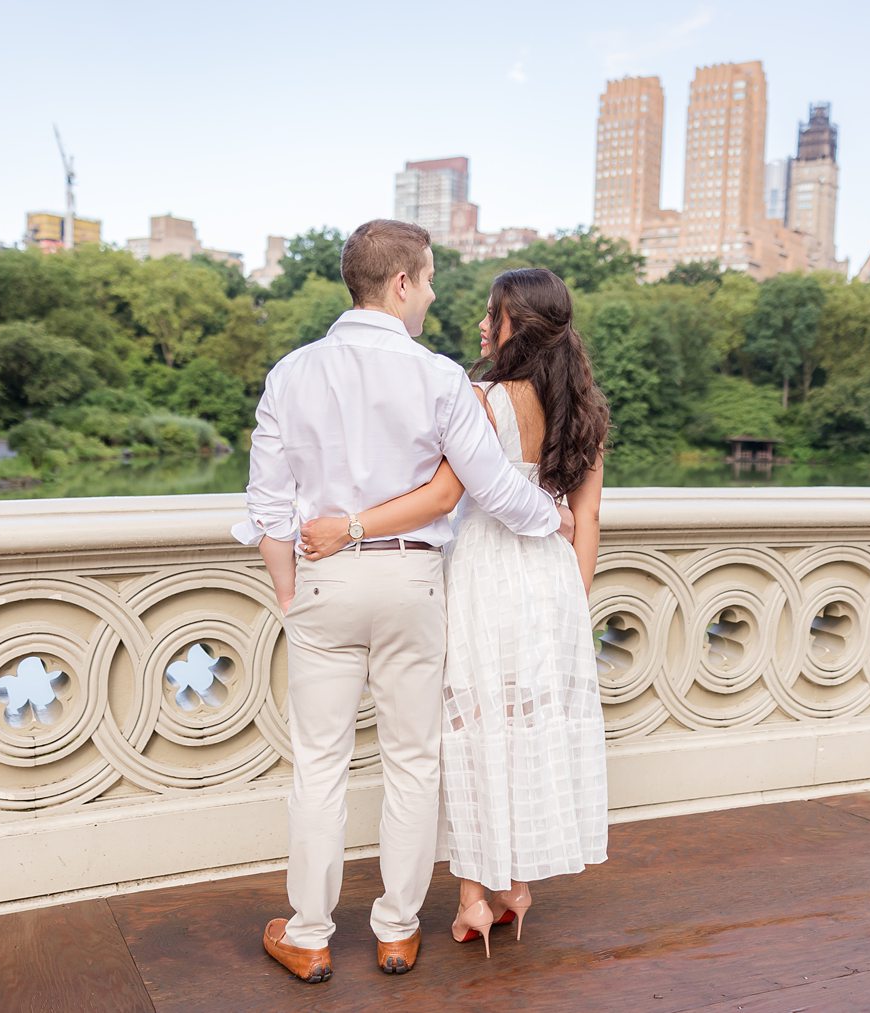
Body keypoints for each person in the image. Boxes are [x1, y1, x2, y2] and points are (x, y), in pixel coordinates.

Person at [232, 221, 571, 984]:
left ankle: (311, 934)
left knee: (318, 765)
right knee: (413, 762)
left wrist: (290, 589)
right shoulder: (440, 376)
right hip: (414, 580)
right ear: (400, 285)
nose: (436, 293)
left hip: (324, 579)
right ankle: (396, 931)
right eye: (429, 279)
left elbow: (268, 502)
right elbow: (492, 486)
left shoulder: (292, 372)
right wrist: (556, 516)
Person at [300, 267, 609, 957]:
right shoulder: (586, 410)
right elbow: (585, 520)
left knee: (468, 731)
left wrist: (349, 525)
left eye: (491, 315)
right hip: (551, 583)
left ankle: (472, 894)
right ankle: (517, 887)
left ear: (517, 326)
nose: (480, 325)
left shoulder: (479, 398)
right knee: (528, 729)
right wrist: (571, 602)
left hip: (483, 574)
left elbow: (444, 494)